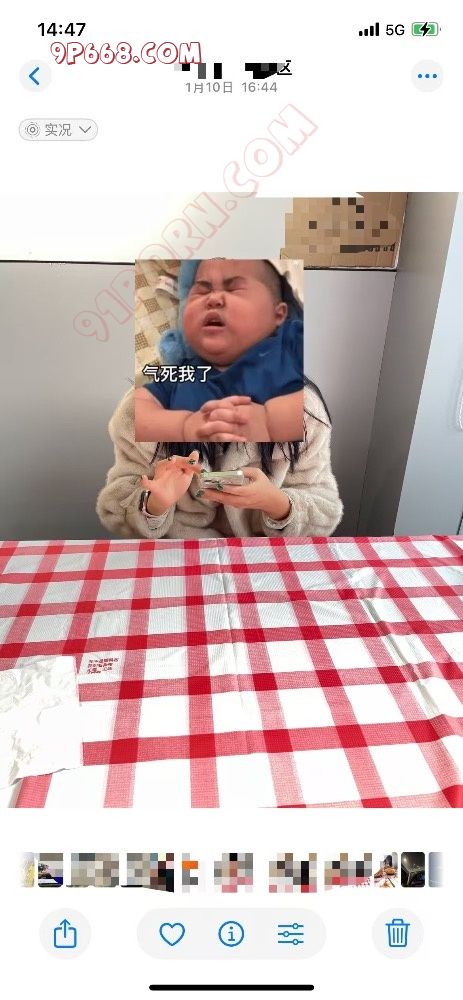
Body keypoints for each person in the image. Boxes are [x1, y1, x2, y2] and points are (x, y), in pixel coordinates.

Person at [96, 377, 344, 539]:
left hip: (260, 562)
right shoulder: (142, 409)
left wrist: (277, 504)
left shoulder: (302, 412)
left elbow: (324, 509)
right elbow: (116, 509)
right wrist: (153, 504)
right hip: (174, 560)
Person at [134, 259, 304, 443]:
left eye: (233, 289)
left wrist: (270, 422)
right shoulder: (181, 373)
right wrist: (182, 427)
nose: (213, 299)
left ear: (278, 313)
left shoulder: (293, 344)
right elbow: (134, 412)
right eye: (201, 291)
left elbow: (323, 403)